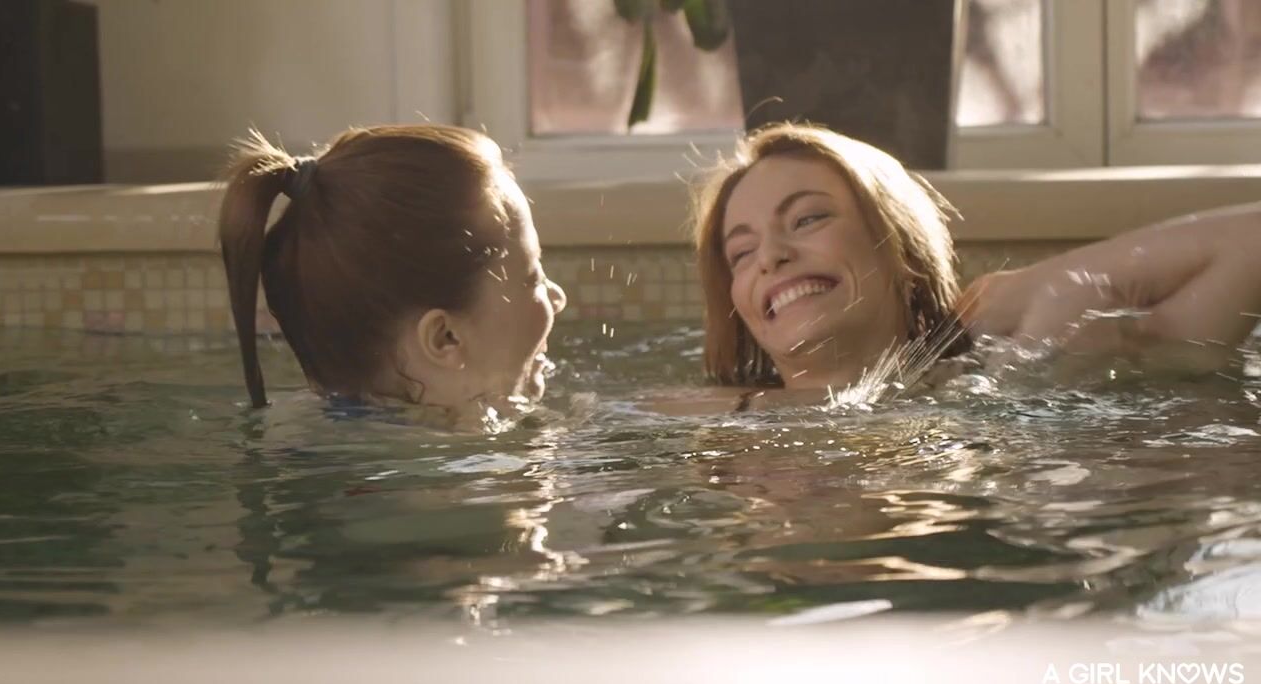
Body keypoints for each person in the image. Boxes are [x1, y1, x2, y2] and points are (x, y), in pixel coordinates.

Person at [691, 122, 1261, 405]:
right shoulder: (702, 420)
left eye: (808, 219)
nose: (771, 256)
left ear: (900, 247)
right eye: (741, 252)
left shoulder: (1022, 368)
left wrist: (1050, 281)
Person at [218, 125, 567, 429]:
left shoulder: (318, 447)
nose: (558, 298)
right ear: (444, 338)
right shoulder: (458, 478)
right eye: (533, 278)